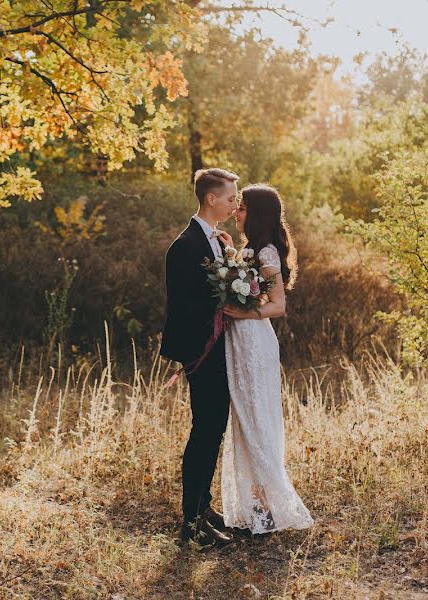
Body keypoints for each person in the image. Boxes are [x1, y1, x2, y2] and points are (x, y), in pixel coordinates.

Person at [220, 183, 313, 534]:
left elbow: (277, 305)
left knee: (257, 419)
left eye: (241, 208)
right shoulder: (251, 249)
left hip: (255, 342)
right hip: (240, 342)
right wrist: (231, 256)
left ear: (255, 214)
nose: (236, 213)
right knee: (245, 420)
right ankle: (257, 506)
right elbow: (246, 285)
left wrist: (243, 315)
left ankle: (268, 507)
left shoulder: (268, 253)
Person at [160, 167, 240, 548]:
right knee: (205, 433)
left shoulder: (218, 241)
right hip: (202, 351)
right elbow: (183, 304)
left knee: (214, 430)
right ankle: (190, 524)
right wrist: (226, 302)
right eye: (229, 197)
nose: (234, 203)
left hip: (222, 349)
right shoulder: (186, 245)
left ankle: (202, 507)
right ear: (211, 198)